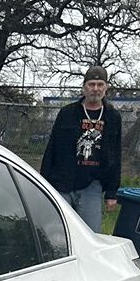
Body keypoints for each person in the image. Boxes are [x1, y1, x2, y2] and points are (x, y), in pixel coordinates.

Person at [40, 65, 121, 231]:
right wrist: (43, 183)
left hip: (92, 185)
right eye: (91, 84)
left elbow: (116, 155)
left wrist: (112, 192)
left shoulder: (112, 117)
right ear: (84, 87)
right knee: (57, 234)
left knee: (90, 235)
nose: (95, 89)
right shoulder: (67, 113)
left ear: (106, 87)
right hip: (62, 183)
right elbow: (52, 149)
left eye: (100, 85)